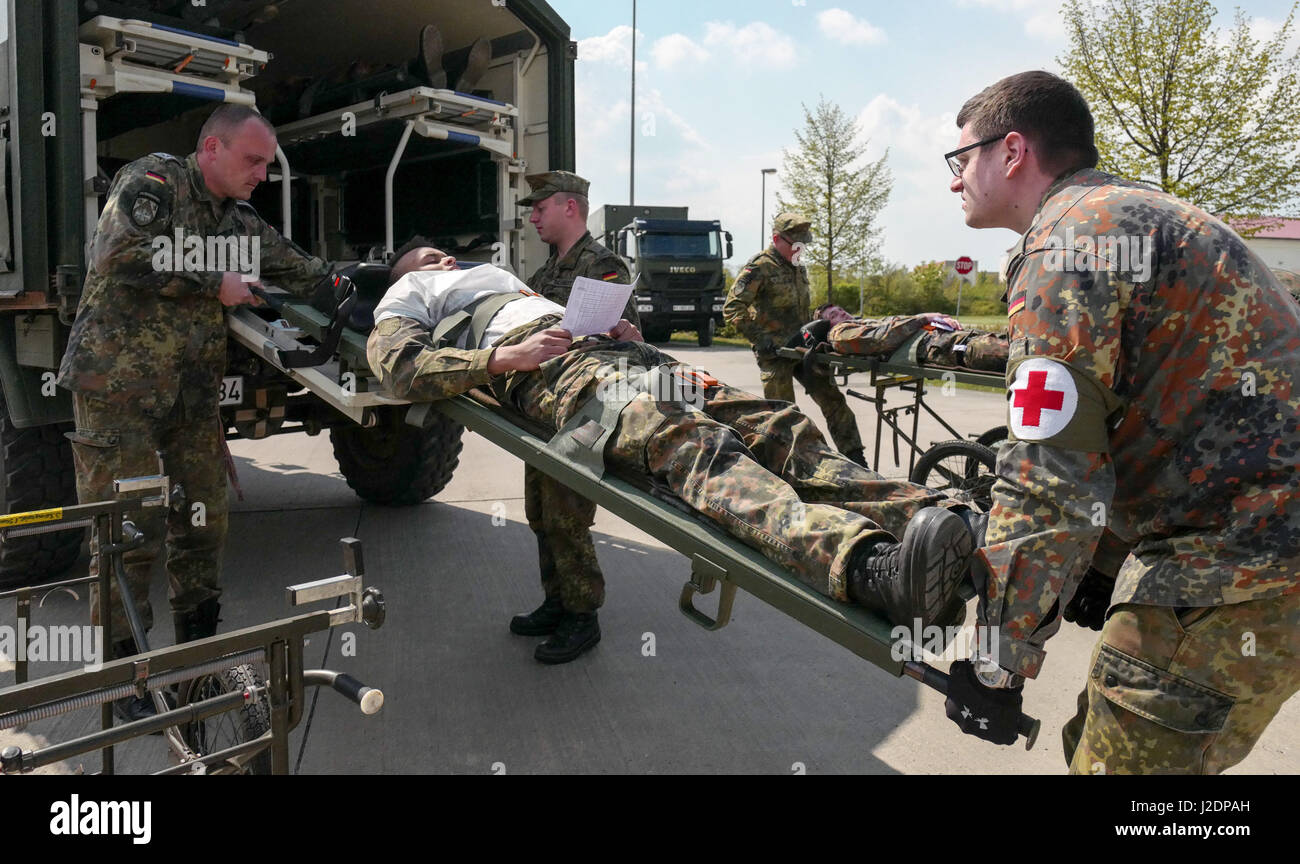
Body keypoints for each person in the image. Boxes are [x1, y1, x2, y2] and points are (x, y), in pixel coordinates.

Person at [940, 70, 1300, 773]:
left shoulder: (1066, 245)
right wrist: (1107, 562)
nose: (955, 181)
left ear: (1011, 151)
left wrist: (997, 658)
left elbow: (1050, 477)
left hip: (1236, 561)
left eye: (962, 160)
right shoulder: (1137, 213)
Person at [365, 246, 984, 654]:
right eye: (426, 256)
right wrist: (502, 358)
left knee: (778, 426)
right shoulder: (411, 293)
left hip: (628, 355)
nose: (441, 256)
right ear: (406, 273)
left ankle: (940, 519)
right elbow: (397, 367)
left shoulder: (504, 278)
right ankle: (870, 567)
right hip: (565, 375)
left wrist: (619, 330)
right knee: (696, 449)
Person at [57, 104, 334, 722]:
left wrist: (393, 274)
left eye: (267, 163)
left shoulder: (238, 220)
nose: (263, 173)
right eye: (252, 160)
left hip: (189, 395)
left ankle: (198, 657)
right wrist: (215, 284)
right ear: (211, 148)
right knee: (129, 531)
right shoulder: (154, 182)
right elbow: (119, 254)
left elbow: (304, 269)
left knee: (202, 520)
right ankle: (123, 673)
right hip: (117, 388)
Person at [506, 171, 641, 663]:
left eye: (540, 207)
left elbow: (628, 339)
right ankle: (557, 602)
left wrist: (618, 334)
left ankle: (583, 617)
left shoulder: (602, 265)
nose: (533, 216)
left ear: (570, 207)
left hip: (583, 406)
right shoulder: (543, 275)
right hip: (542, 406)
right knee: (540, 512)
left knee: (567, 515)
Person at [723, 213, 867, 467]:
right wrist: (760, 337)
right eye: (796, 245)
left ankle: (856, 459)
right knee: (783, 416)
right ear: (777, 239)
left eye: (804, 244)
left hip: (803, 348)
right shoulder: (760, 267)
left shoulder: (798, 266)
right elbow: (732, 309)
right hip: (775, 354)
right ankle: (787, 470)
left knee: (834, 401)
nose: (801, 250)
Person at [792, 307, 1009, 373]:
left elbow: (893, 321)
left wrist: (937, 318)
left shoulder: (865, 321)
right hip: (941, 348)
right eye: (833, 316)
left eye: (840, 310)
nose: (842, 314)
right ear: (827, 324)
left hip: (949, 338)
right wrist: (923, 318)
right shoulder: (840, 334)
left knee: (1020, 341)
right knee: (1016, 353)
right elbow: (880, 339)